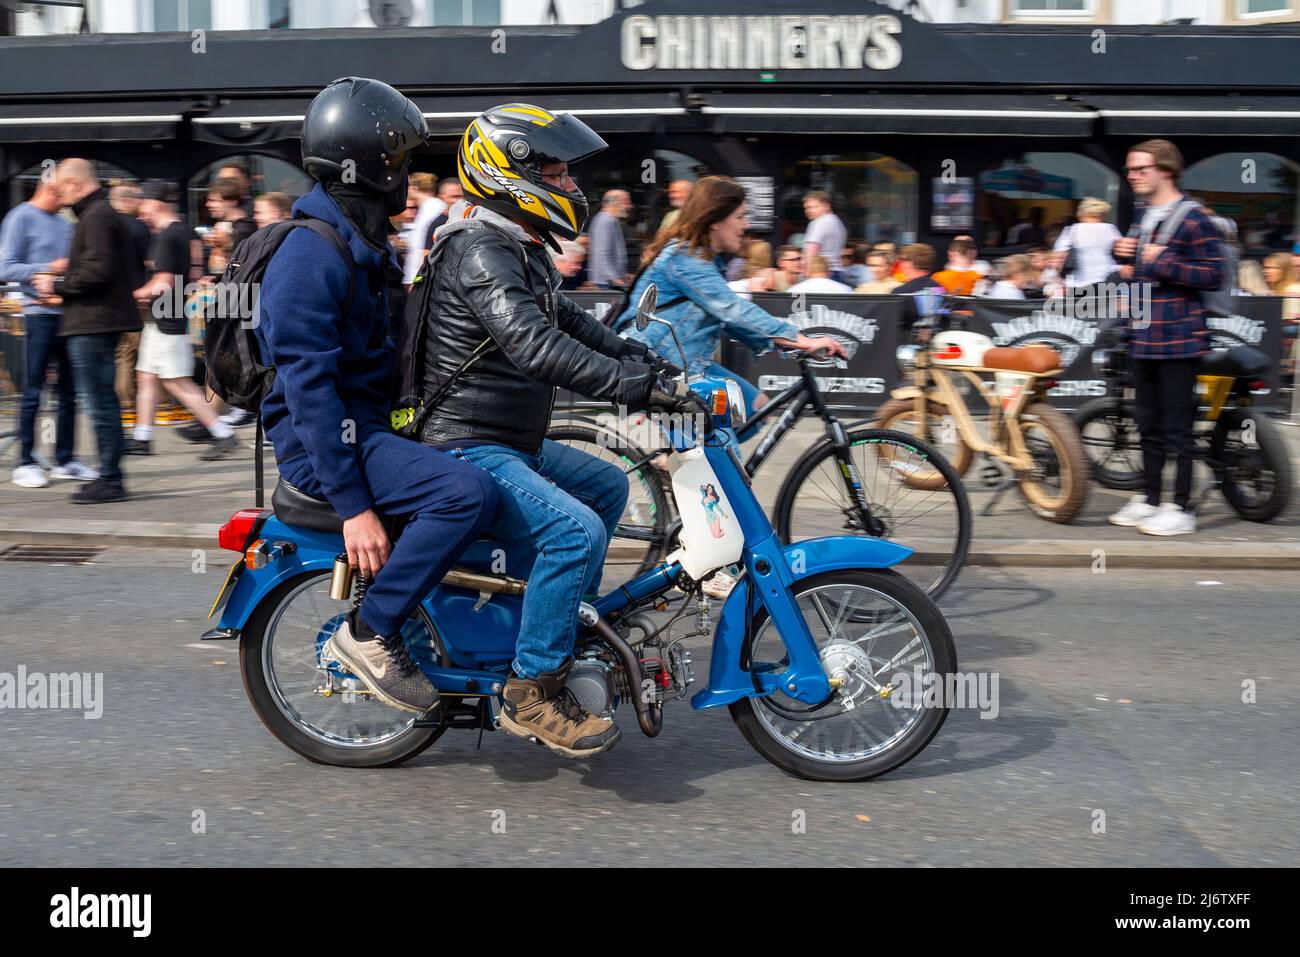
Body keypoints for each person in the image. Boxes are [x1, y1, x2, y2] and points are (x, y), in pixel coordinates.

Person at [422, 102, 687, 759]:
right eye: (559, 172)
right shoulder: (479, 247)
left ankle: (563, 627)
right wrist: (633, 389)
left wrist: (649, 364)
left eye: (568, 173)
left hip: (510, 438)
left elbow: (572, 324)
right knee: (576, 528)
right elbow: (533, 346)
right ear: (511, 172)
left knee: (605, 484)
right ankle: (532, 688)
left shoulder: (518, 247)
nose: (571, 185)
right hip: (467, 441)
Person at [257, 76, 498, 715]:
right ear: (367, 166)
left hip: (367, 425)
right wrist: (354, 506)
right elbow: (309, 392)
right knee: (462, 495)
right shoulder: (310, 257)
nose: (410, 177)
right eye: (402, 162)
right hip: (326, 447)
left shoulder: (363, 245)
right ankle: (371, 632)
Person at [617, 175, 847, 418]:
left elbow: (728, 320)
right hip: (660, 366)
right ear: (715, 220)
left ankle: (679, 451)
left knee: (755, 407)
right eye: (739, 216)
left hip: (683, 363)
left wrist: (790, 345)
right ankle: (674, 452)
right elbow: (732, 310)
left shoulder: (703, 259)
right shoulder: (684, 258)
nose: (745, 225)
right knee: (720, 440)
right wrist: (802, 341)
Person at [1108, 138, 1226, 537]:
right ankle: (1151, 496)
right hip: (1144, 334)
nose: (1132, 176)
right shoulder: (1144, 214)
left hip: (1179, 338)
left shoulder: (1193, 217)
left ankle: (1182, 507)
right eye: (1129, 170)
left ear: (1166, 170)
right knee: (1148, 424)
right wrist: (1123, 256)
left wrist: (1165, 261)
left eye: (1140, 169)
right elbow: (1143, 270)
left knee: (1178, 427)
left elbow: (1214, 275)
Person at [32, 159, 143, 504]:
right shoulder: (98, 215)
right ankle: (109, 474)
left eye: (61, 185)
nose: (57, 191)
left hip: (94, 323)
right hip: (95, 321)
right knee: (99, 401)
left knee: (98, 403)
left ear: (75, 184)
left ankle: (111, 478)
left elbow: (98, 271)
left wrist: (58, 283)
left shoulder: (96, 216)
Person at [126, 181, 239, 460]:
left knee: (177, 382)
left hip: (167, 319)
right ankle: (143, 436)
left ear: (158, 203)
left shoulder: (168, 236)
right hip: (165, 318)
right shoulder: (180, 232)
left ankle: (223, 433)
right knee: (147, 377)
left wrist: (132, 295)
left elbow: (163, 283)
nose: (142, 212)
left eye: (145, 205)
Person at [0, 181, 95, 488]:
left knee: (68, 393)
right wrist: (49, 268)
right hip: (38, 315)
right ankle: (25, 461)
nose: (69, 199)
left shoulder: (64, 222)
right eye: (65, 193)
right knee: (33, 391)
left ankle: (65, 459)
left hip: (66, 314)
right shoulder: (20, 217)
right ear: (51, 189)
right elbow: (5, 268)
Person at [109, 183, 152, 412]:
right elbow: (150, 263)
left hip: (114, 301)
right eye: (138, 200)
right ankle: (161, 401)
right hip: (138, 298)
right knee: (147, 352)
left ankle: (125, 401)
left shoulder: (106, 226)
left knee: (123, 353)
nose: (141, 204)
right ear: (127, 201)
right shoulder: (139, 227)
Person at [1051, 197, 1122, 289]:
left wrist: (1055, 279)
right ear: (1102, 215)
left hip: (1080, 283)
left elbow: (1059, 255)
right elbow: (1122, 251)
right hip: (1107, 279)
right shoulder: (1110, 229)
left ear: (1081, 214)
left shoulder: (1073, 230)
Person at [402, 172, 443, 285]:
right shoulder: (425, 208)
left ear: (414, 187)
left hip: (421, 277)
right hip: (416, 276)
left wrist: (417, 281)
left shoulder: (433, 207)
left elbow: (425, 248)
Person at [892, 243, 945, 329]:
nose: (900, 263)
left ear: (911, 263)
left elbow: (892, 324)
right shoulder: (939, 289)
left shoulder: (900, 292)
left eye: (902, 259)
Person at [586, 188, 631, 289]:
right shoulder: (605, 221)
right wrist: (614, 278)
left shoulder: (610, 220)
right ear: (614, 203)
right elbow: (602, 254)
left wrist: (623, 275)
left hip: (609, 281)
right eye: (626, 202)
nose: (629, 206)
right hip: (606, 283)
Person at [801, 190, 847, 281]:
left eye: (813, 207)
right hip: (838, 272)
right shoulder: (838, 222)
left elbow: (811, 250)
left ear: (826, 206)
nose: (808, 211)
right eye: (806, 208)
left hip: (821, 273)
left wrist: (807, 274)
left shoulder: (819, 222)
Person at [421, 177, 463, 251]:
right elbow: (426, 255)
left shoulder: (476, 218)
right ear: (442, 198)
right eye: (455, 196)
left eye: (463, 196)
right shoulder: (437, 225)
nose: (460, 200)